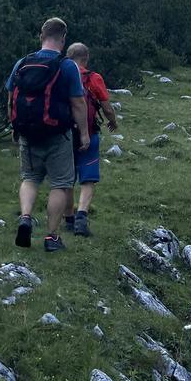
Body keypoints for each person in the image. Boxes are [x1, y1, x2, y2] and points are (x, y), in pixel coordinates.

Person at [7, 18, 90, 252]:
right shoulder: (67, 66)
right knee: (61, 184)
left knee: (30, 178)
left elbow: (11, 98)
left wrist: (15, 126)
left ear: (41, 36)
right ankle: (51, 237)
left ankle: (25, 217)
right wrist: (84, 133)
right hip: (57, 134)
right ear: (63, 39)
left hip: (28, 133)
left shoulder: (22, 63)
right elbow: (78, 103)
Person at [63, 43, 118, 237]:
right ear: (86, 58)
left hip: (64, 134)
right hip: (89, 133)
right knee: (88, 179)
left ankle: (68, 219)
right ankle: (81, 218)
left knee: (67, 178)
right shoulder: (93, 78)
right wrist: (113, 121)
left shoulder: (61, 74)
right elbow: (107, 107)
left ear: (68, 57)